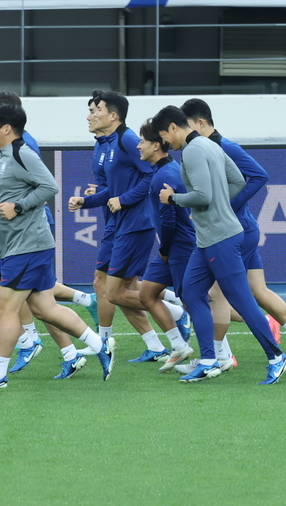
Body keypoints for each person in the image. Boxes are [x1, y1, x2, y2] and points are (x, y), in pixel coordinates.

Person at [0, 103, 110, 388]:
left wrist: (18, 207)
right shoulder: (4, 157)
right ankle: (99, 344)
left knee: (5, 308)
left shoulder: (21, 153)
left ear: (6, 128)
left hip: (27, 247)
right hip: (17, 247)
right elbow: (11, 197)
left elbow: (49, 187)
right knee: (45, 308)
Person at [152, 105, 286, 384]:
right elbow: (238, 182)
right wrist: (220, 206)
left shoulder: (191, 151)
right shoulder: (210, 144)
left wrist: (173, 199)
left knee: (241, 300)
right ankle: (207, 360)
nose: (166, 144)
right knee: (190, 293)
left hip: (220, 239)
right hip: (209, 239)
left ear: (173, 128)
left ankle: (277, 356)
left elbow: (201, 195)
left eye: (164, 137)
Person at [180, 98, 286, 374]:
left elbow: (258, 175)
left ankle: (219, 357)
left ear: (200, 123)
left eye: (186, 125)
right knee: (258, 291)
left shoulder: (222, 146)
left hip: (235, 229)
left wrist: (224, 207)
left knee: (215, 294)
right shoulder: (206, 148)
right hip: (244, 228)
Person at [68, 90, 169, 361]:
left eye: (95, 109)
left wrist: (123, 200)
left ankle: (177, 313)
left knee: (112, 289)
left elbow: (152, 175)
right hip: (117, 223)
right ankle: (155, 347)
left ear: (112, 115)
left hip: (134, 224)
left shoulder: (126, 140)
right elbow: (110, 189)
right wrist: (86, 202)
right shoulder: (104, 144)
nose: (90, 115)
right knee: (115, 287)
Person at [134, 119, 197, 371]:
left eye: (142, 141)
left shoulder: (165, 174)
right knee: (147, 293)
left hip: (179, 247)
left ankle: (221, 354)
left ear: (157, 145)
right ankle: (179, 346)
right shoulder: (164, 171)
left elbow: (169, 219)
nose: (138, 146)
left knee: (195, 302)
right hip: (172, 248)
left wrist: (164, 250)